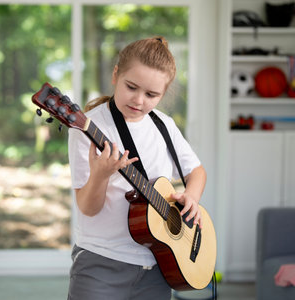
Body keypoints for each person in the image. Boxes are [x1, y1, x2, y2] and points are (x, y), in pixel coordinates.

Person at [67, 36, 207, 300]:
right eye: (131, 87)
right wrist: (100, 175)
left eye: (151, 94)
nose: (139, 100)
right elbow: (88, 208)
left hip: (158, 264)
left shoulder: (164, 125)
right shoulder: (87, 128)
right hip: (101, 262)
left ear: (163, 94)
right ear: (115, 74)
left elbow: (197, 172)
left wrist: (192, 197)